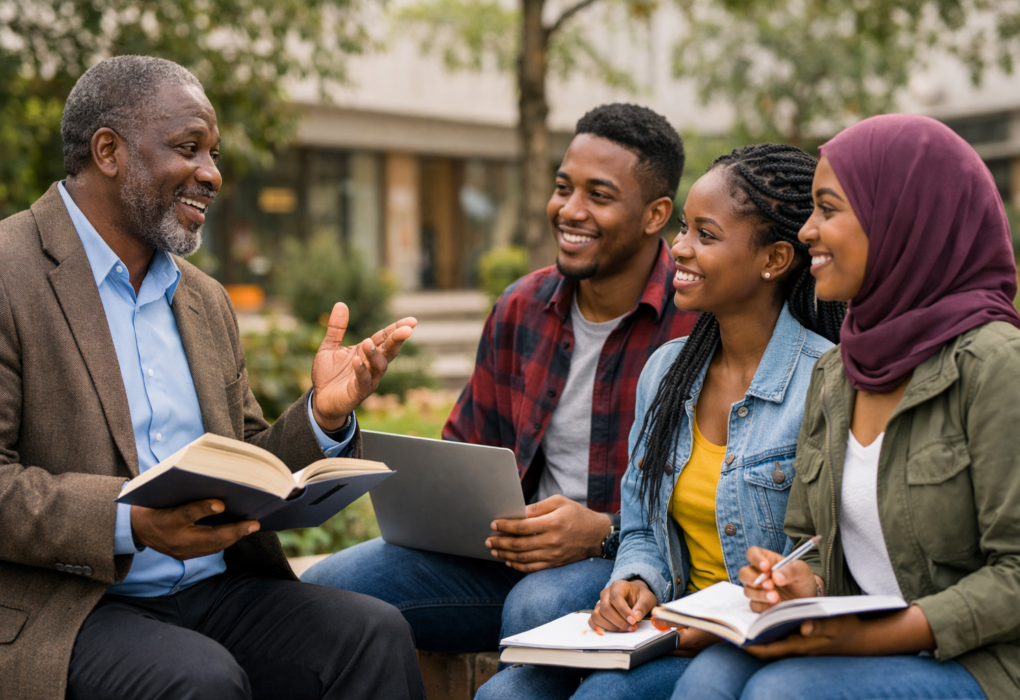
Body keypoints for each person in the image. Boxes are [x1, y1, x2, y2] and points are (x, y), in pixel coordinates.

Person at [0, 56, 423, 700]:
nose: (212, 173)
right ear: (108, 151)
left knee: (372, 634)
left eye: (214, 153)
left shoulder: (202, 298)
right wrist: (131, 523)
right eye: (188, 147)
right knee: (198, 679)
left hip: (212, 587)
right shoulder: (10, 273)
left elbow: (247, 462)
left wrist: (323, 417)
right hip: (71, 604)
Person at [303, 104, 697, 652]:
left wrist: (602, 533)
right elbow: (466, 448)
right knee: (323, 592)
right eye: (563, 188)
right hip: (505, 558)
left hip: (629, 572)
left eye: (598, 196)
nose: (569, 210)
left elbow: (712, 509)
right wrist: (457, 509)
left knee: (537, 604)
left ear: (656, 215)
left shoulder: (695, 324)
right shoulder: (521, 306)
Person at [476, 144, 846, 699]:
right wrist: (635, 580)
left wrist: (719, 621)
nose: (679, 248)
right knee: (501, 695)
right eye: (683, 230)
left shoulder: (826, 381)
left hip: (747, 638)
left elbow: (824, 559)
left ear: (773, 260)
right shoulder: (668, 371)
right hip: (665, 621)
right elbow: (644, 526)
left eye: (705, 235)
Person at [673, 114, 1020, 700]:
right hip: (857, 637)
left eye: (828, 210)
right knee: (707, 679)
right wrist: (792, 582)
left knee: (782, 693)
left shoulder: (993, 365)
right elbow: (815, 549)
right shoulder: (838, 372)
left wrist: (857, 640)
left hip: (982, 662)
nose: (807, 231)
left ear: (902, 221)